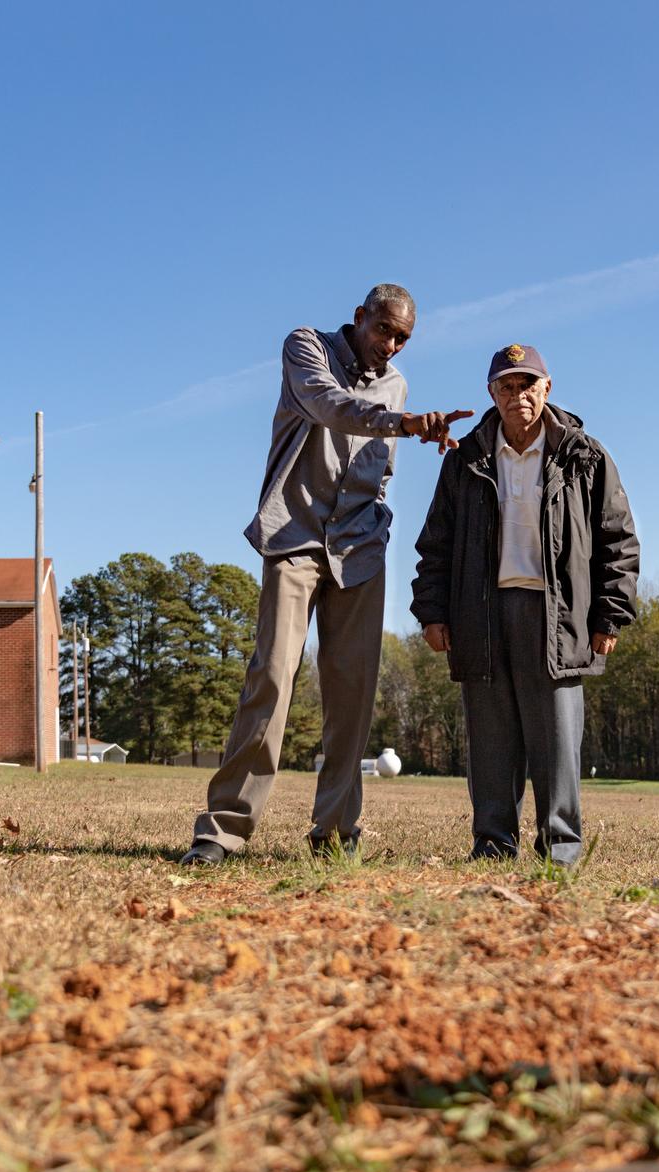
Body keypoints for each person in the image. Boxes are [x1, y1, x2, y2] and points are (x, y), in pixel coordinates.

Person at [181, 285, 472, 866]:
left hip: (360, 547)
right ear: (359, 317)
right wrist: (405, 422)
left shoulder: (397, 385)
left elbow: (379, 468)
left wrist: (381, 508)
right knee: (273, 675)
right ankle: (222, 830)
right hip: (295, 537)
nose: (390, 345)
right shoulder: (305, 347)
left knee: (353, 690)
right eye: (383, 330)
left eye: (403, 338)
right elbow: (328, 405)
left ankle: (336, 833)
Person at [411, 344, 639, 863]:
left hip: (558, 614)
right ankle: (492, 844)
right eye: (507, 387)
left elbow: (618, 541)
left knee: (557, 739)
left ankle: (562, 846)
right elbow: (436, 543)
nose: (518, 396)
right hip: (480, 611)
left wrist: (610, 614)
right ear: (491, 393)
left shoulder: (585, 455)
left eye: (528, 385)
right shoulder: (466, 458)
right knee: (491, 740)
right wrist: (433, 611)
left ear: (548, 388)